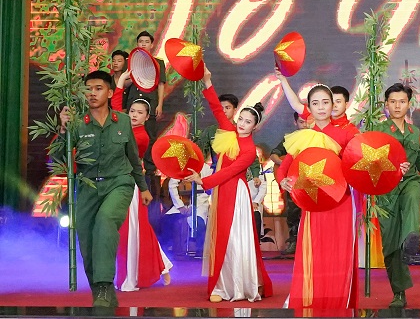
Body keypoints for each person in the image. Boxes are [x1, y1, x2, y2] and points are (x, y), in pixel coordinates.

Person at [185, 63, 272, 303]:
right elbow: (216, 108)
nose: (242, 123)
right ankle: (220, 285)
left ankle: (238, 286)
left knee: (234, 238)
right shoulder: (228, 131)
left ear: (255, 126)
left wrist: (203, 180)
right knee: (222, 237)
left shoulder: (249, 150)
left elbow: (231, 172)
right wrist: (207, 81)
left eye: (247, 122)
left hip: (236, 194)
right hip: (222, 191)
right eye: (241, 119)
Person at [64, 70, 151, 307]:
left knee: (105, 221)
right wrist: (63, 131)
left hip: (119, 183)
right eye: (88, 89)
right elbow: (61, 159)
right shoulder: (76, 123)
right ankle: (103, 294)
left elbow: (133, 157)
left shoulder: (122, 121)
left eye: (98, 88)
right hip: (88, 186)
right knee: (87, 241)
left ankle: (103, 284)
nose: (92, 93)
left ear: (110, 93)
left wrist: (143, 187)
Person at [275, 82, 359, 312]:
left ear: (333, 105)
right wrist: (282, 181)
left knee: (338, 253)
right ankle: (313, 300)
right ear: (309, 109)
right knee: (315, 252)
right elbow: (286, 165)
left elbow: (363, 158)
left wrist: (395, 168)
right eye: (315, 103)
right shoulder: (306, 135)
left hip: (341, 201)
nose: (321, 107)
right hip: (313, 202)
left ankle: (338, 302)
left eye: (325, 102)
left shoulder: (348, 132)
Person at [366, 83, 420, 308]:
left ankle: (412, 238)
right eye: (393, 101)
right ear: (386, 104)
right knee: (390, 244)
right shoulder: (379, 130)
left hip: (410, 181)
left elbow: (419, 158)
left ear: (408, 104)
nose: (397, 106)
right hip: (386, 189)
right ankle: (399, 292)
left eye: (402, 101)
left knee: (412, 198)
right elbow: (370, 161)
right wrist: (391, 167)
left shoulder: (414, 132)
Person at [110, 71, 172, 291]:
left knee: (132, 229)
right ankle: (160, 265)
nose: (135, 115)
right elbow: (116, 110)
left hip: (130, 184)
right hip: (116, 183)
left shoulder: (141, 136)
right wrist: (120, 81)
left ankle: (134, 274)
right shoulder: (125, 127)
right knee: (133, 228)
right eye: (132, 111)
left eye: (140, 113)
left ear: (147, 117)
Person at [270, 111, 310, 256]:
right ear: (295, 122)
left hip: (313, 179)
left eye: (307, 121)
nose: (305, 125)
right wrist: (285, 164)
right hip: (294, 181)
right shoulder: (290, 139)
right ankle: (293, 241)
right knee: (293, 210)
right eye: (301, 122)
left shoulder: (316, 137)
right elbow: (273, 155)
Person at [123, 31, 166, 121]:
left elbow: (161, 84)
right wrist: (133, 78)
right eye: (141, 41)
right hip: (133, 101)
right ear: (137, 44)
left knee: (149, 127)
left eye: (147, 42)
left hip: (151, 102)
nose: (143, 44)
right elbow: (124, 84)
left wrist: (160, 105)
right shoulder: (129, 61)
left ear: (151, 45)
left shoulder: (159, 62)